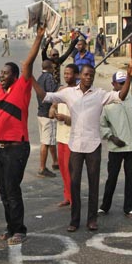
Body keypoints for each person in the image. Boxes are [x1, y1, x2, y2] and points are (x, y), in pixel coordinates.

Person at [38, 60, 132, 232]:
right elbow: (46, 96)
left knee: (93, 184)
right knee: (74, 184)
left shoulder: (99, 94)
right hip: (75, 145)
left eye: (91, 75)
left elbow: (121, 96)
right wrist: (29, 77)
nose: (88, 77)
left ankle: (92, 220)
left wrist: (129, 77)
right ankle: (74, 220)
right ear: (79, 76)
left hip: (93, 145)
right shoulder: (69, 93)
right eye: (85, 74)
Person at [0, 26, 45, 245]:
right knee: (5, 190)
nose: (1, 76)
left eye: (5, 73)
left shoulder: (22, 87)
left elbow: (27, 64)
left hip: (16, 148)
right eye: (0, 73)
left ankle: (19, 230)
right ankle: (11, 228)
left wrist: (38, 37)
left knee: (12, 189)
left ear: (16, 77)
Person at [99, 70, 132, 219]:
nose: (124, 86)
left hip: (131, 147)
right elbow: (102, 124)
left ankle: (128, 208)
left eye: (125, 83)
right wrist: (111, 137)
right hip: (116, 147)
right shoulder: (107, 102)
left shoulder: (130, 98)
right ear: (114, 84)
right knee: (112, 177)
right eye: (121, 83)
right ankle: (105, 206)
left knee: (129, 178)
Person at [49, 63, 79, 208]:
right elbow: (52, 108)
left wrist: (66, 119)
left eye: (69, 73)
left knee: (71, 170)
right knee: (63, 169)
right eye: (65, 73)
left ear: (76, 75)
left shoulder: (79, 93)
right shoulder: (61, 90)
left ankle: (74, 199)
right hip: (61, 137)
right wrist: (53, 111)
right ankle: (67, 196)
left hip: (72, 139)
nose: (66, 76)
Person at [35, 60, 59, 177]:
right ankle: (42, 167)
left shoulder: (40, 78)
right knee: (46, 142)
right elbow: (53, 92)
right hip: (47, 114)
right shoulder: (49, 78)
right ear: (50, 67)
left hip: (41, 112)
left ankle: (55, 161)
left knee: (50, 140)